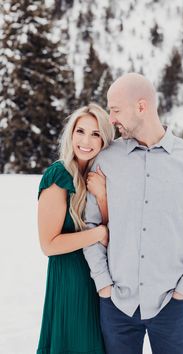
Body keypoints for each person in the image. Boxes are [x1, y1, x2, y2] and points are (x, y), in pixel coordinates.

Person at [83, 73, 183, 354]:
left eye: (116, 110)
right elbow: (91, 223)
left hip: (171, 305)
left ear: (142, 107)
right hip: (117, 305)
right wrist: (104, 285)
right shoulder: (107, 159)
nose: (111, 119)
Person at [36, 103, 114, 354]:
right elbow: (49, 244)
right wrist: (98, 233)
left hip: (98, 279)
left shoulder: (98, 176)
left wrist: (102, 196)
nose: (86, 141)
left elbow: (115, 232)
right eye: (81, 131)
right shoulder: (58, 175)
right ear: (71, 134)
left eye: (95, 134)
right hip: (70, 279)